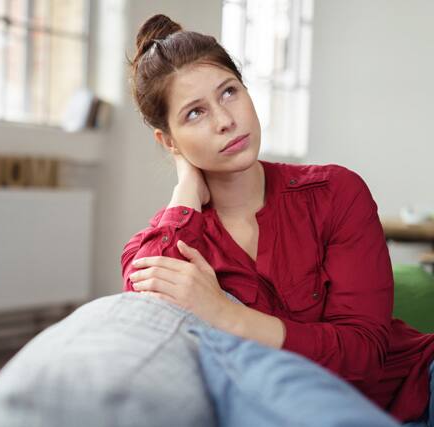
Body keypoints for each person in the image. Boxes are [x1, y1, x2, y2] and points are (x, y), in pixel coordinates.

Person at [121, 13, 434, 425]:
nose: (225, 120)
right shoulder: (171, 238)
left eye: (229, 92)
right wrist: (185, 192)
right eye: (194, 113)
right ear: (168, 141)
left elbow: (364, 355)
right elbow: (144, 303)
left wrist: (227, 314)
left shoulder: (336, 191)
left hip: (416, 387)